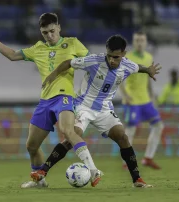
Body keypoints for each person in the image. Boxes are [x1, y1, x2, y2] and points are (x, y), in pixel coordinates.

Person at [0, 13, 102, 188]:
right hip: (45, 102)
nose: (50, 35)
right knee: (31, 146)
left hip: (64, 97)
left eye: (52, 31)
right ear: (41, 32)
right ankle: (40, 181)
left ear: (59, 27)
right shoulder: (38, 49)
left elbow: (93, 64)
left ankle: (93, 169)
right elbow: (13, 55)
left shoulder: (73, 43)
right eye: (45, 33)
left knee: (67, 130)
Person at [31, 34, 161, 188]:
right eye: (109, 56)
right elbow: (68, 62)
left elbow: (139, 67)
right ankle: (43, 171)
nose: (112, 60)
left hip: (104, 109)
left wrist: (149, 70)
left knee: (123, 137)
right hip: (83, 106)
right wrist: (52, 76)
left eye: (116, 57)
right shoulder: (94, 60)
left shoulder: (127, 65)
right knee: (72, 137)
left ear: (124, 54)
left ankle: (137, 180)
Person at [119, 31, 164, 170]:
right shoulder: (127, 58)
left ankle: (148, 158)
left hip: (146, 100)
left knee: (158, 126)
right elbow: (119, 78)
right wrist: (125, 95)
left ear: (146, 42)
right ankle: (127, 161)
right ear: (133, 42)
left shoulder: (149, 57)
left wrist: (152, 95)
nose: (139, 43)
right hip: (132, 101)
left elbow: (148, 80)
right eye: (137, 40)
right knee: (130, 130)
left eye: (142, 40)